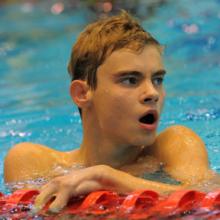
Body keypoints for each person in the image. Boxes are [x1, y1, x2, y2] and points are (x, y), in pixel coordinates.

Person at [4, 11, 214, 213]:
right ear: (82, 93)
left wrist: (107, 178)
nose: (152, 93)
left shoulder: (174, 146)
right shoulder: (34, 163)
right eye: (130, 80)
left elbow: (207, 196)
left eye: (158, 79)